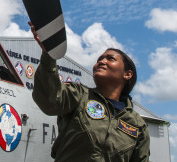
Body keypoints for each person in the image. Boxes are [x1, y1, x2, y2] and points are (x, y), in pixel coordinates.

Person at [30, 22, 150, 162]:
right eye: (99, 59)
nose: (102, 61)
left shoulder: (137, 124)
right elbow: (49, 100)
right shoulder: (79, 95)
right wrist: (49, 54)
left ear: (127, 74)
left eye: (110, 59)